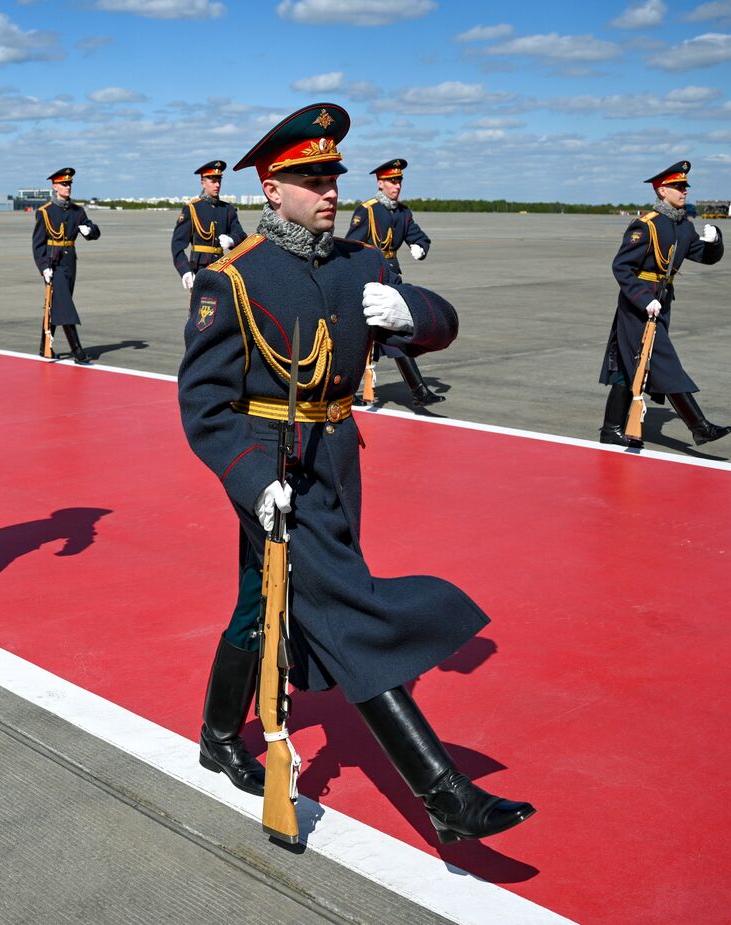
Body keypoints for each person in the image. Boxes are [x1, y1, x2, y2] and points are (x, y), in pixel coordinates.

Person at [178, 103, 534, 844]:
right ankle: (442, 788)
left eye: (333, 174)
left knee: (262, 602)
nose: (330, 189)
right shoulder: (234, 278)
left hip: (337, 462)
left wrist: (413, 311)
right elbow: (205, 405)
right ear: (272, 189)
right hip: (275, 471)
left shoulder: (361, 264)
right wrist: (251, 482)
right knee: (345, 610)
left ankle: (216, 734)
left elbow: (443, 322)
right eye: (311, 177)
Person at [599, 161, 728, 447]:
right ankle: (699, 426)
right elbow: (621, 267)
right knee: (664, 362)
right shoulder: (645, 226)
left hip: (662, 301)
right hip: (639, 305)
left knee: (629, 364)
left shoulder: (683, 227)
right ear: (662, 190)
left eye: (685, 187)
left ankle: (611, 429)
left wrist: (715, 241)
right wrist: (644, 300)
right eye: (678, 187)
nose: (684, 192)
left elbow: (705, 257)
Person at [345, 158, 442, 406]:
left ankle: (419, 391)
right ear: (380, 183)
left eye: (398, 181)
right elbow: (352, 246)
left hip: (392, 278)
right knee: (357, 338)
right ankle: (346, 392)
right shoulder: (367, 211)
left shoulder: (403, 212)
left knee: (398, 332)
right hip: (368, 279)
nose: (396, 186)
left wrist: (420, 246)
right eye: (391, 181)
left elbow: (417, 235)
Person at [31, 167, 100, 364]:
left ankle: (45, 346)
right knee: (65, 304)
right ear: (54, 186)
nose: (67, 187)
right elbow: (38, 244)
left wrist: (89, 230)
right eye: (63, 184)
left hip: (70, 262)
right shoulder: (45, 212)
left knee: (57, 304)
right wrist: (43, 266)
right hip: (53, 263)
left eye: (69, 183)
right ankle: (77, 351)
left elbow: (93, 231)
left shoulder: (77, 211)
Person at [171, 160, 245, 292]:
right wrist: (185, 271)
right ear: (203, 183)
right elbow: (177, 245)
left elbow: (241, 236)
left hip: (222, 270)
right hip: (199, 271)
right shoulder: (192, 209)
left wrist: (232, 240)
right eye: (212, 181)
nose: (217, 185)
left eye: (219, 181)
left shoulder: (227, 209)